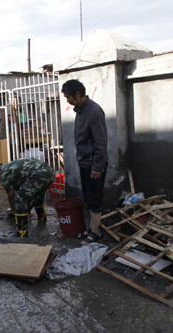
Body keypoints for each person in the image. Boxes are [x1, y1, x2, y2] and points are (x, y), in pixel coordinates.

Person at [62, 79, 108, 244]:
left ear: (78, 94)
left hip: (93, 165)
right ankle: (91, 228)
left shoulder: (94, 111)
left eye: (68, 97)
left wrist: (97, 166)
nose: (67, 100)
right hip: (85, 163)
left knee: (95, 198)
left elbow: (101, 142)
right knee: (88, 197)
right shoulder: (81, 110)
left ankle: (96, 232)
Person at [0, 159, 54, 238]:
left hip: (38, 175)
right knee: (37, 195)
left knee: (20, 199)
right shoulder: (10, 166)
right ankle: (42, 219)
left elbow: (11, 195)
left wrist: (13, 210)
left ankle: (21, 232)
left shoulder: (3, 174)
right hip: (50, 173)